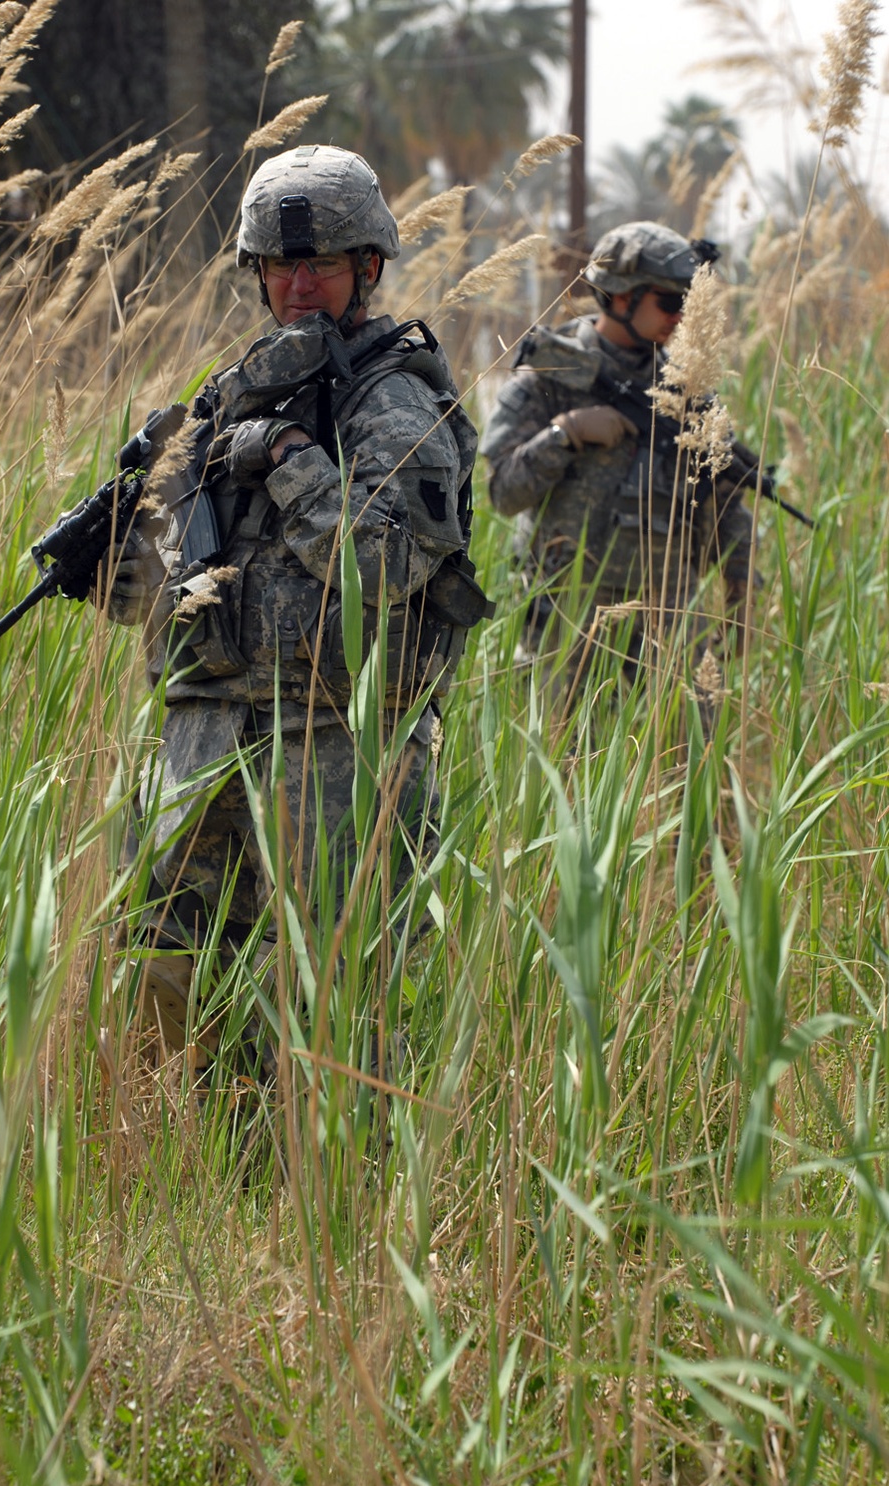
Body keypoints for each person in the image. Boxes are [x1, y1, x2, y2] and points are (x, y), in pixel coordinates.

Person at [97, 144, 486, 1061]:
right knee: (160, 977)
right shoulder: (227, 396)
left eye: (321, 263)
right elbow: (164, 587)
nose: (300, 283)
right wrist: (128, 566)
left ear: (369, 269)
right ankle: (184, 1192)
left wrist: (287, 460)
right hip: (201, 743)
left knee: (327, 1005)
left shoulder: (396, 401)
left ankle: (323, 1202)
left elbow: (386, 566)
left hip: (336, 747)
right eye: (281, 264)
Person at [480, 220, 756, 711]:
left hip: (666, 621)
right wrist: (566, 433)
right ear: (622, 296)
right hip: (565, 617)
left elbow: (723, 502)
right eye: (669, 302)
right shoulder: (555, 371)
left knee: (678, 763)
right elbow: (503, 492)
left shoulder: (688, 390)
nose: (679, 317)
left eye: (686, 304)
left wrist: (742, 581)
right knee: (558, 761)